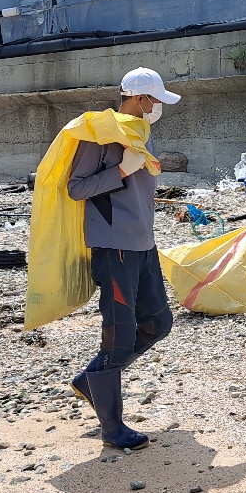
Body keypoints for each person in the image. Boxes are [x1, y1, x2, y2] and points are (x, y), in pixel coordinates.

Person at [64, 68, 179, 451]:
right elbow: (76, 188)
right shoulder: (99, 135)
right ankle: (112, 427)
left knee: (159, 321)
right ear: (138, 98)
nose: (159, 106)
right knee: (120, 333)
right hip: (114, 248)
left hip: (143, 245)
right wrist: (120, 170)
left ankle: (90, 380)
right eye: (156, 99)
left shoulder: (142, 133)